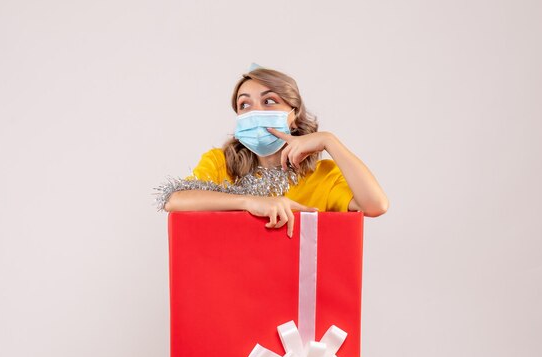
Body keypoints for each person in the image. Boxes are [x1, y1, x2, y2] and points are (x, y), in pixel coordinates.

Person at [163, 64, 389, 237]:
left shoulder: (322, 176)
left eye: (269, 101)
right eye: (244, 105)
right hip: (230, 287)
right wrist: (249, 202)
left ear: (294, 115)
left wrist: (329, 141)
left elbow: (375, 205)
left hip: (293, 290)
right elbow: (175, 200)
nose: (255, 112)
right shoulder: (220, 162)